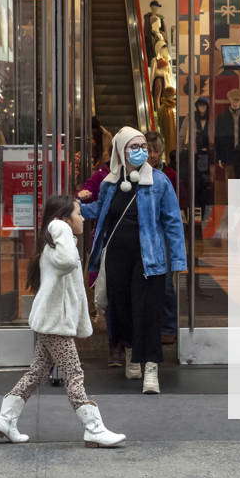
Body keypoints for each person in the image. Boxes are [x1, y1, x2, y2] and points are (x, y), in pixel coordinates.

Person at [0, 196, 126, 448]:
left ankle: (6, 418)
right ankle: (93, 428)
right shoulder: (60, 233)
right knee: (74, 373)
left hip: (52, 321)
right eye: (78, 213)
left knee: (37, 371)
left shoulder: (56, 242)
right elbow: (66, 261)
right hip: (56, 323)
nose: (83, 218)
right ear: (65, 218)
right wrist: (62, 230)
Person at [78, 126, 187, 394]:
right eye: (134, 147)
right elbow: (99, 210)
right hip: (116, 255)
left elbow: (172, 221)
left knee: (148, 311)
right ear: (120, 151)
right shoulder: (110, 183)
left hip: (149, 258)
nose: (141, 152)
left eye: (143, 147)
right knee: (121, 307)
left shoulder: (159, 181)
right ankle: (130, 352)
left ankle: (151, 367)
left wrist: (178, 259)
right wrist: (72, 208)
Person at [144, 131, 179, 346]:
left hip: (162, 233)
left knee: (165, 283)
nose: (152, 155)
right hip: (144, 233)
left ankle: (168, 326)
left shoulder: (170, 175)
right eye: (148, 150)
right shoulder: (134, 175)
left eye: (155, 150)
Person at [215, 88, 240, 179]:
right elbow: (218, 138)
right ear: (229, 99)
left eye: (237, 100)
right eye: (233, 99)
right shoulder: (222, 117)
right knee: (230, 183)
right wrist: (219, 157)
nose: (235, 102)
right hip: (228, 154)